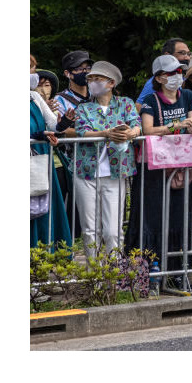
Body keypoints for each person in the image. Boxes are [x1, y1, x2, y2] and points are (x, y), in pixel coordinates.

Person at [135, 54, 192, 290]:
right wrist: (177, 125)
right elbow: (147, 129)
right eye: (173, 73)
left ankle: (176, 273)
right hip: (154, 169)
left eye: (180, 72)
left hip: (181, 166)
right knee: (152, 222)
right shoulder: (151, 100)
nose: (178, 77)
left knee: (179, 221)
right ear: (160, 77)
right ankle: (149, 276)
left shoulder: (186, 95)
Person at [70, 61, 142, 257]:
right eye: (90, 79)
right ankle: (94, 276)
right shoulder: (83, 108)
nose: (92, 82)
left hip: (116, 171)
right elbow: (82, 131)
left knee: (113, 230)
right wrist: (107, 133)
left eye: (97, 79)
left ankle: (114, 273)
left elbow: (137, 124)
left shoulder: (125, 103)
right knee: (90, 229)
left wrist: (131, 134)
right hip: (86, 171)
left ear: (111, 83)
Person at [30, 71, 71, 247]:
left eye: (33, 68)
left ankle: (45, 257)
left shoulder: (33, 96)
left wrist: (65, 122)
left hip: (39, 160)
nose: (33, 73)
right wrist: (37, 134)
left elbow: (54, 124)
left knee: (42, 208)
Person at [137, 38, 192, 105]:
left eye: (188, 54)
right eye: (183, 53)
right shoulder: (156, 82)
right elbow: (139, 106)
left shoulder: (183, 78)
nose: (187, 58)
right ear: (167, 55)